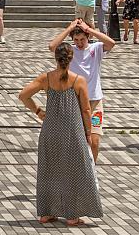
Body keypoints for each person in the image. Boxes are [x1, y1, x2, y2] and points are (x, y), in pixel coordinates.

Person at [18, 43, 103, 226]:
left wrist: (39, 111)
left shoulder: (46, 78)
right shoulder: (78, 80)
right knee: (75, 171)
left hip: (50, 130)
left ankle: (46, 213)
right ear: (71, 58)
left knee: (49, 170)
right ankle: (72, 215)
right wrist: (88, 132)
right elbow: (87, 110)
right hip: (73, 130)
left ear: (56, 58)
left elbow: (23, 95)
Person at [49, 19, 116, 163]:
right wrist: (69, 28)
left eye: (82, 39)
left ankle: (92, 170)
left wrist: (90, 30)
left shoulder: (96, 48)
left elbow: (111, 43)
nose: (79, 43)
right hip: (75, 102)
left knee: (95, 140)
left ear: (88, 38)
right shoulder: (69, 51)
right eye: (76, 40)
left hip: (94, 101)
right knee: (75, 141)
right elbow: (52, 46)